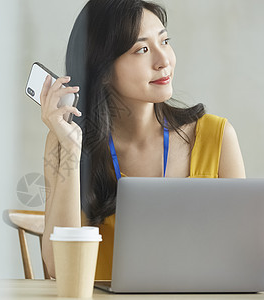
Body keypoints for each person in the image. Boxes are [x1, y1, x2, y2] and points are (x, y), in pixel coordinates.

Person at [40, 0, 246, 280]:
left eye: (165, 41)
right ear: (102, 71)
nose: (164, 61)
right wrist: (72, 151)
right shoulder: (64, 143)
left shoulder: (216, 137)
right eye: (143, 49)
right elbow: (58, 270)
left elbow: (241, 258)